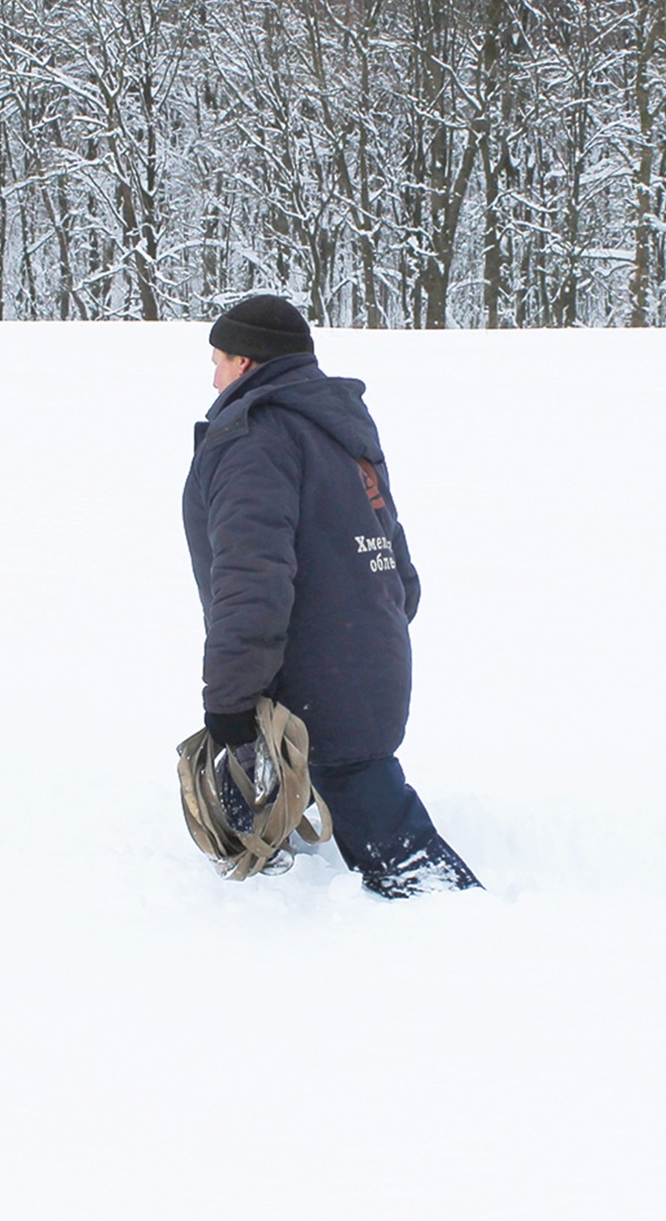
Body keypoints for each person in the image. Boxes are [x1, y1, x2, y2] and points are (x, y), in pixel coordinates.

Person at [182, 294, 480, 898]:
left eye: (217, 360)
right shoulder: (335, 424)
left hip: (314, 676)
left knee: (395, 846)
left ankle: (461, 936)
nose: (213, 377)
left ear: (245, 363)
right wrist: (378, 618)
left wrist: (231, 698)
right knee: (284, 786)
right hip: (363, 650)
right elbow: (390, 544)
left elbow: (251, 580)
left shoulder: (254, 438)